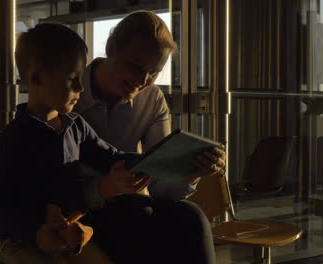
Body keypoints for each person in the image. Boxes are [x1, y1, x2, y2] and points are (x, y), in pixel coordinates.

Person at [0, 23, 149, 264]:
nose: (81, 89)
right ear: (36, 78)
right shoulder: (12, 139)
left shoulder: (76, 126)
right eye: (73, 80)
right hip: (25, 241)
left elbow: (110, 157)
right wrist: (34, 232)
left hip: (69, 232)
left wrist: (150, 160)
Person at [74, 10, 225, 264]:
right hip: (79, 205)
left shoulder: (152, 99)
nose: (143, 80)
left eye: (154, 72)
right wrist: (106, 188)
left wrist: (192, 172)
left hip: (132, 205)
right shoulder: (70, 90)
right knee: (137, 215)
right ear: (111, 48)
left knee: (191, 216)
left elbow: (160, 184)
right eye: (135, 66)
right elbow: (52, 181)